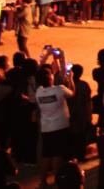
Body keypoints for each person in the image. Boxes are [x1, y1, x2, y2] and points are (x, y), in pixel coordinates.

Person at [32, 49, 75, 188]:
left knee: (46, 155)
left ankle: (43, 182)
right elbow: (72, 93)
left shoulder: (39, 91)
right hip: (60, 126)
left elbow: (39, 72)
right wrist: (71, 78)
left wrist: (47, 55)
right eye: (51, 74)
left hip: (46, 127)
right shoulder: (59, 89)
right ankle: (58, 182)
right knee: (58, 155)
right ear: (50, 78)